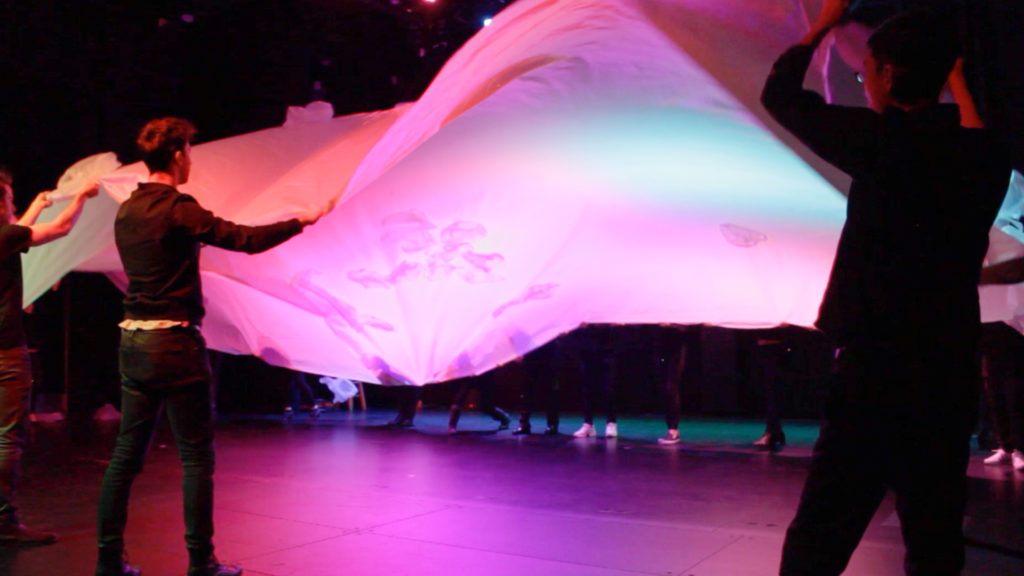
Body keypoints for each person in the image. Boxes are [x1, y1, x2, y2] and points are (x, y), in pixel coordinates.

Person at [761, 2, 1011, 574]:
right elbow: (975, 136)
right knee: (935, 534)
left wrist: (822, 23)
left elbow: (780, 97)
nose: (864, 79)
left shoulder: (879, 141)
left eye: (867, 69)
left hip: (875, 370)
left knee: (823, 531)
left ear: (890, 76)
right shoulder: (985, 158)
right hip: (948, 372)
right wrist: (956, 79)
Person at [95, 118, 332, 576]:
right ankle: (200, 562)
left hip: (133, 342)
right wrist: (300, 221)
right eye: (190, 151)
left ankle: (108, 560)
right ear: (180, 154)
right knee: (196, 457)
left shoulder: (128, 210)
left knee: (126, 456)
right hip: (175, 345)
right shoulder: (178, 207)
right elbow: (243, 239)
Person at [0, 165, 99, 544]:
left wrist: (36, 207)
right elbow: (59, 230)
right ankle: (3, 522)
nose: (14, 205)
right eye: (10, 199)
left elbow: (15, 235)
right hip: (5, 350)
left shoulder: (6, 234)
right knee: (8, 437)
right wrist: (80, 199)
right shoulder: (6, 233)